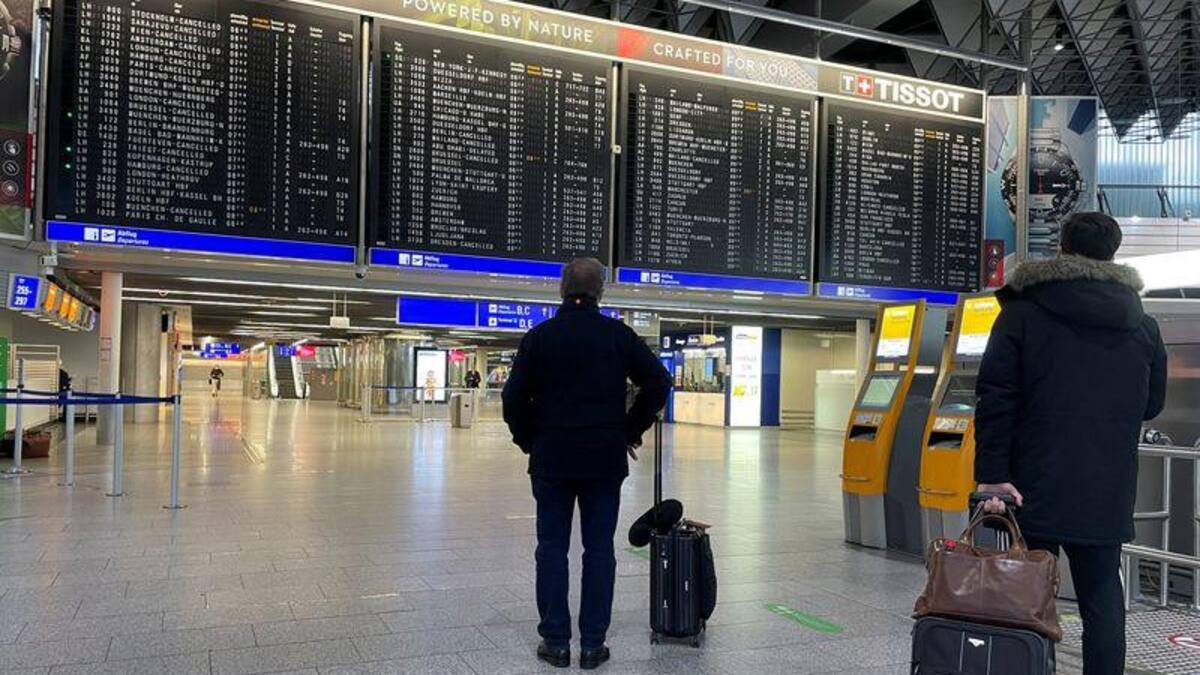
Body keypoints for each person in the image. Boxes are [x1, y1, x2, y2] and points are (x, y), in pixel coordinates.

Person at [975, 212, 1167, 675]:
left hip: (1032, 482)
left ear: (1061, 249)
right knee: (1102, 598)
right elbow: (1152, 405)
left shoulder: (1021, 312)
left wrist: (992, 476)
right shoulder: (1143, 326)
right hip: (1106, 485)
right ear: (1114, 255)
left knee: (1028, 592)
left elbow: (996, 397)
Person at [503, 257, 671, 670]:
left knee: (551, 549)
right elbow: (658, 382)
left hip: (552, 460)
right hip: (603, 459)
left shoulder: (539, 338)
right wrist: (630, 430)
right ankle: (593, 644)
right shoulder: (617, 335)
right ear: (601, 292)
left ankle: (556, 643)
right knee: (599, 551)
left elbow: (512, 399)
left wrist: (531, 441)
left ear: (561, 289)